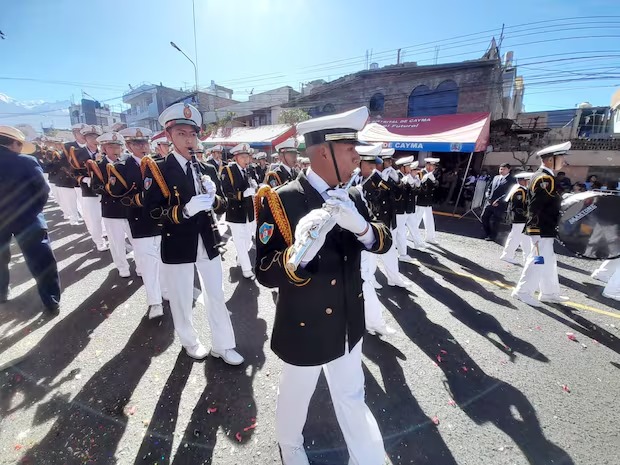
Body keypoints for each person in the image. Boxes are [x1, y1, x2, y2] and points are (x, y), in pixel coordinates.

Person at [255, 106, 389, 465]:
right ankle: (289, 443)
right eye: (349, 148)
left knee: (352, 395)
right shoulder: (282, 199)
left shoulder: (354, 195)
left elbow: (383, 239)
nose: (357, 155)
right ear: (322, 152)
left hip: (348, 317)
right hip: (307, 321)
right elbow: (264, 272)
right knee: (297, 393)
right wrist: (297, 255)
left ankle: (370, 458)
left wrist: (361, 227)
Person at [143, 103, 243, 364]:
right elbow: (151, 213)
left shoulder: (207, 168)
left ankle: (223, 344)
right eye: (181, 134)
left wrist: (215, 197)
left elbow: (223, 204)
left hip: (207, 241)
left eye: (192, 134)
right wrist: (183, 211)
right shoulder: (159, 169)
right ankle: (189, 341)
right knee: (181, 296)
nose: (189, 140)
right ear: (168, 136)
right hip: (177, 242)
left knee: (216, 294)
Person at [0, 126, 61, 311]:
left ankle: (1, 292)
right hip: (27, 219)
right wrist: (33, 211)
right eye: (20, 145)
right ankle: (51, 301)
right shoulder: (26, 161)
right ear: (14, 143)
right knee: (41, 261)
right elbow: (43, 191)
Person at [512, 142, 571, 307]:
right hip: (540, 229)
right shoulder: (544, 178)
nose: (564, 162)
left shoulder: (545, 177)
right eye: (561, 158)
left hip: (544, 228)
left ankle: (549, 293)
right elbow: (535, 206)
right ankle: (523, 291)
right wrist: (536, 229)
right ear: (551, 160)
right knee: (537, 260)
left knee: (549, 260)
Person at [356, 144, 397, 337]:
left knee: (366, 279)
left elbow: (380, 201)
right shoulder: (353, 179)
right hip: (353, 237)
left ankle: (372, 322)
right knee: (363, 281)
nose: (374, 168)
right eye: (370, 164)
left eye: (376, 164)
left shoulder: (376, 181)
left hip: (367, 235)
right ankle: (372, 322)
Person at [88, 131, 134, 278]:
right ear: (104, 148)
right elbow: (95, 186)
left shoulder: (129, 161)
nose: (115, 150)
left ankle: (140, 265)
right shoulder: (99, 166)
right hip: (111, 209)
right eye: (110, 147)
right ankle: (122, 266)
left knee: (136, 239)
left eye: (117, 146)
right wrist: (108, 189)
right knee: (116, 241)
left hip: (131, 207)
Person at [221, 143, 257, 279]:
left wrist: (255, 187)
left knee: (248, 239)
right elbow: (226, 191)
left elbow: (253, 185)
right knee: (240, 241)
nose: (246, 160)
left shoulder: (249, 170)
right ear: (236, 157)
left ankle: (240, 260)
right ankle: (247, 270)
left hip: (249, 211)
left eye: (247, 156)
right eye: (243, 157)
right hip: (236, 211)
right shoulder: (228, 170)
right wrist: (243, 194)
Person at [499, 172, 533, 265]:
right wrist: (527, 214)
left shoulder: (523, 190)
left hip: (522, 219)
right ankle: (507, 255)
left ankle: (528, 257)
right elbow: (517, 207)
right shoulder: (519, 191)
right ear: (522, 181)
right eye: (528, 180)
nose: (529, 182)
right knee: (515, 237)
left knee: (524, 238)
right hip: (519, 218)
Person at [481, 163, 515, 241]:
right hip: (490, 202)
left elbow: (509, 193)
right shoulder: (496, 177)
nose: (501, 171)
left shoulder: (512, 180)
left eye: (504, 169)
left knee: (496, 221)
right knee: (484, 217)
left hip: (500, 204)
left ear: (509, 170)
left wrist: (498, 201)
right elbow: (489, 188)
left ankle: (493, 236)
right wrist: (488, 196)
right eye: (500, 169)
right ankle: (487, 233)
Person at [415, 157, 440, 244]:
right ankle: (411, 235)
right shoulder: (421, 173)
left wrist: (433, 180)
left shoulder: (432, 174)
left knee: (429, 219)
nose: (431, 167)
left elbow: (436, 186)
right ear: (426, 165)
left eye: (433, 166)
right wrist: (423, 180)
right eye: (430, 165)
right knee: (417, 218)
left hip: (428, 201)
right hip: (421, 200)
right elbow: (419, 187)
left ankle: (430, 237)